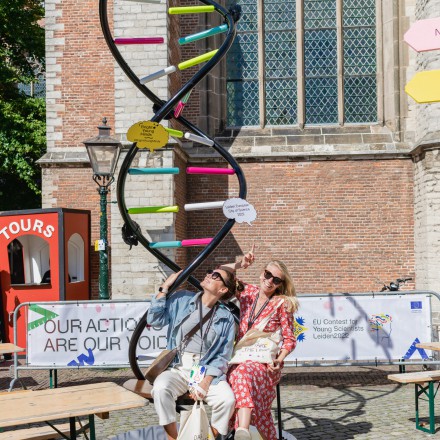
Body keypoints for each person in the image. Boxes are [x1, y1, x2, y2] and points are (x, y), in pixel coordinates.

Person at [147, 268, 238, 440]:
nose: (209, 275)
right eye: (211, 272)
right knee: (160, 389)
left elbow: (223, 356)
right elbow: (154, 320)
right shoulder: (182, 300)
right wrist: (164, 287)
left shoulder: (226, 318)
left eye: (216, 276)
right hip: (178, 366)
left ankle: (209, 437)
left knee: (227, 400)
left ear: (223, 289)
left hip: (205, 369)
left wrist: (205, 382)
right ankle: (173, 438)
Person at [221, 248, 299, 440]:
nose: (270, 280)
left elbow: (289, 339)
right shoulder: (247, 292)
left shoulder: (282, 304)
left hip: (264, 365)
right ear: (261, 272)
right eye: (268, 274)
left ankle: (243, 430)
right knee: (241, 374)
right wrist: (241, 264)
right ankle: (252, 432)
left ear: (281, 284)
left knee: (243, 374)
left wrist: (279, 361)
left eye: (276, 279)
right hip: (239, 357)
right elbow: (220, 274)